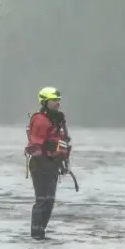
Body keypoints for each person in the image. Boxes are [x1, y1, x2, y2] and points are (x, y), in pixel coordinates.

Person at [25, 86, 71, 239]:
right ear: (45, 102)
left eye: (58, 100)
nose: (57, 103)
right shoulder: (39, 120)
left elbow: (64, 142)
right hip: (40, 164)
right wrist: (45, 151)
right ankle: (36, 234)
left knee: (50, 201)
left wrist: (63, 162)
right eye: (53, 100)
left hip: (53, 165)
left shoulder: (58, 120)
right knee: (42, 200)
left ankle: (41, 233)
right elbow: (35, 144)